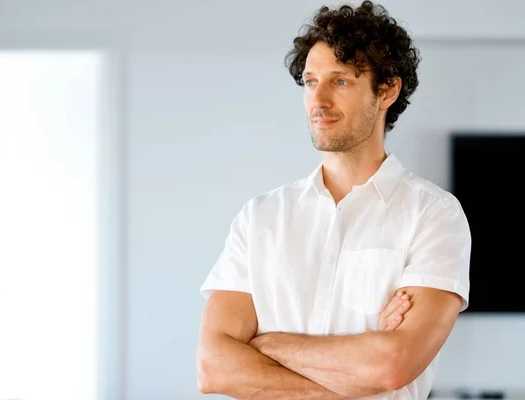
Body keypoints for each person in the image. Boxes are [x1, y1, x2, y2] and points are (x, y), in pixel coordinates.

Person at [195, 1, 471, 399]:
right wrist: (353, 369)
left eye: (340, 81)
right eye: (310, 82)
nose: (318, 100)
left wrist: (265, 345)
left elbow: (392, 366)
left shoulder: (433, 215)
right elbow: (213, 367)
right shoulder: (260, 218)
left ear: (388, 89)